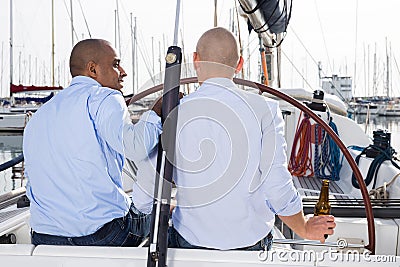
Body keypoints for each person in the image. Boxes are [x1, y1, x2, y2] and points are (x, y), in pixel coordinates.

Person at [166, 27, 336, 250]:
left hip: (189, 240)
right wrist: (303, 227)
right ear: (240, 64)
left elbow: (162, 177)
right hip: (249, 244)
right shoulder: (265, 110)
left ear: (195, 60)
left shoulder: (176, 112)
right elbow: (276, 184)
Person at [23, 39, 162, 246]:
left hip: (45, 237)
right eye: (116, 64)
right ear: (92, 69)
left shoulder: (40, 115)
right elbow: (137, 147)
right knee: (163, 218)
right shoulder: (105, 97)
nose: (122, 72)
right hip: (104, 235)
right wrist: (155, 112)